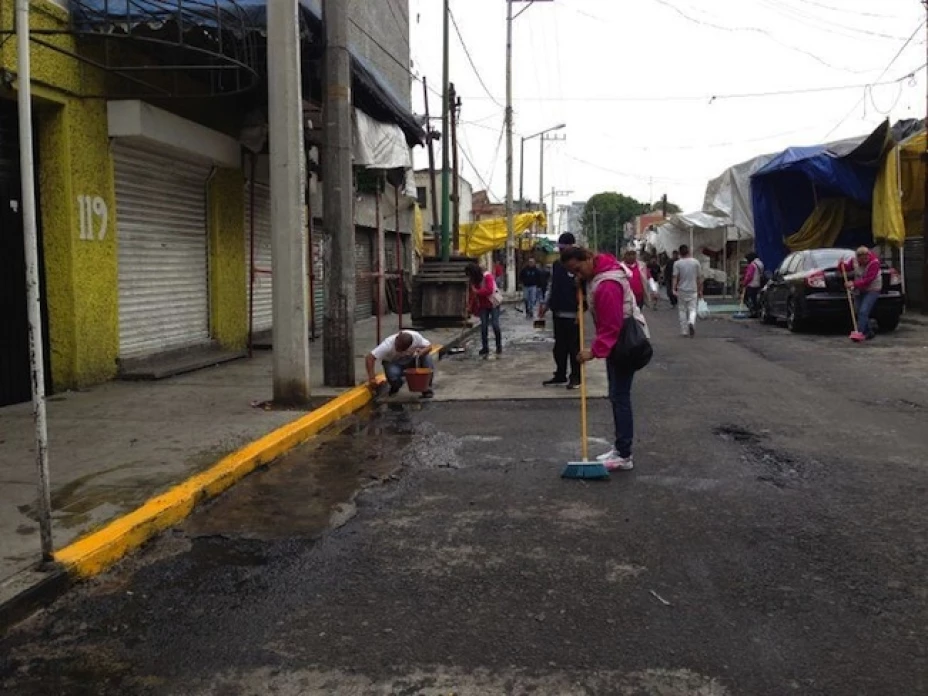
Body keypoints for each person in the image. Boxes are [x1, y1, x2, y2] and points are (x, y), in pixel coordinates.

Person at [561, 246, 648, 472]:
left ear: (589, 258)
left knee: (620, 396)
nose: (577, 275)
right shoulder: (599, 272)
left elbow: (611, 325)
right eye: (573, 273)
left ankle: (624, 454)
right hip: (620, 343)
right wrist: (581, 285)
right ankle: (620, 448)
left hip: (625, 343)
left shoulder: (607, 285)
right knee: (616, 395)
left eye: (578, 269)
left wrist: (594, 351)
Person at [539, 232, 581, 389]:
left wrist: (580, 311)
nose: (562, 252)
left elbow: (584, 290)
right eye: (561, 249)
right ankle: (560, 374)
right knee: (559, 347)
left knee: (574, 348)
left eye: (564, 249)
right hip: (558, 312)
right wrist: (545, 304)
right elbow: (552, 286)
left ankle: (576, 377)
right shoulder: (557, 265)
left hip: (573, 315)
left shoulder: (579, 264)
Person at [366, 330, 434, 398]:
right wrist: (372, 378)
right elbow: (370, 357)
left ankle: (427, 388)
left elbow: (429, 346)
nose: (398, 349)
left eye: (402, 348)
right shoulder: (387, 345)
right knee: (393, 376)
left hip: (410, 359)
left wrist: (422, 352)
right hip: (393, 362)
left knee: (427, 358)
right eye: (397, 346)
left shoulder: (416, 337)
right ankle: (396, 384)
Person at [838, 246, 882, 340]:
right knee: (858, 310)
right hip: (859, 289)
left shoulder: (874, 263)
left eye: (866, 258)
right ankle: (869, 331)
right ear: (858, 258)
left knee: (863, 311)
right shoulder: (854, 260)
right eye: (862, 259)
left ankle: (860, 332)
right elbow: (846, 268)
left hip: (872, 289)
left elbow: (868, 280)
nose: (865, 260)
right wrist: (841, 264)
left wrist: (853, 283)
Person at [466, 262, 503, 357]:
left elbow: (489, 290)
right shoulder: (474, 281)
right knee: (483, 327)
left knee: (495, 324)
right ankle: (485, 347)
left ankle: (498, 345)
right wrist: (470, 306)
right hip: (483, 306)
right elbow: (473, 295)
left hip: (493, 303)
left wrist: (477, 291)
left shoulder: (488, 277)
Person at [673, 244, 703, 337]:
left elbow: (675, 277)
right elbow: (699, 277)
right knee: (693, 309)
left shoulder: (677, 263)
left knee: (682, 310)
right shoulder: (696, 262)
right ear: (689, 251)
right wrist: (700, 289)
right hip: (693, 289)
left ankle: (684, 331)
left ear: (680, 253)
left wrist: (673, 288)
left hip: (681, 289)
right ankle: (691, 322)